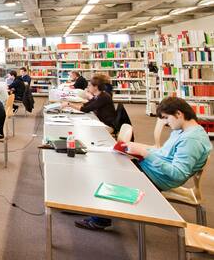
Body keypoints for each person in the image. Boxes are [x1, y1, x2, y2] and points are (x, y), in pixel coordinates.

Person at [75, 97, 212, 231]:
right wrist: (141, 149)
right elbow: (164, 153)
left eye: (166, 118)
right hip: (154, 169)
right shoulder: (182, 130)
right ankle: (94, 208)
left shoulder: (191, 140)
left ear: (178, 114)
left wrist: (145, 154)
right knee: (114, 163)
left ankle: (99, 218)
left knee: (112, 173)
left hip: (161, 178)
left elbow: (177, 174)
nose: (165, 123)